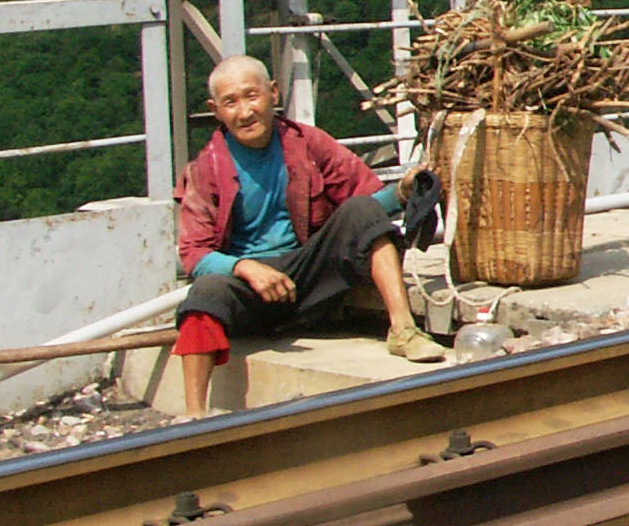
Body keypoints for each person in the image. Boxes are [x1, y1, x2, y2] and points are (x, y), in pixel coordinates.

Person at [172, 55, 447, 414]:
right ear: (215, 110)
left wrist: (402, 193)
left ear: (273, 94)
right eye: (230, 102)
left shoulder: (306, 143)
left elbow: (363, 200)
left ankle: (403, 329)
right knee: (203, 293)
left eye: (251, 96)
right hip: (250, 290)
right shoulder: (205, 169)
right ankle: (194, 414)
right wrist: (245, 268)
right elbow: (194, 253)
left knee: (360, 210)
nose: (244, 112)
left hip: (307, 274)